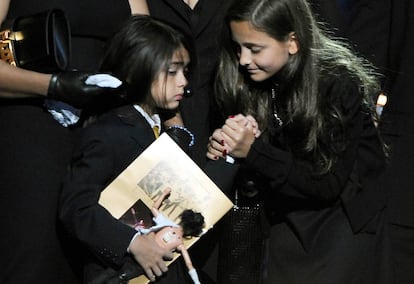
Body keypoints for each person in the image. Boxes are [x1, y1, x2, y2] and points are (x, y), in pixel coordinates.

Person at [207, 0, 389, 283]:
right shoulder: (248, 82)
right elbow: (258, 179)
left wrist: (254, 151)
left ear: (292, 42)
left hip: (342, 225)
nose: (243, 59)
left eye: (255, 49)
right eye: (238, 47)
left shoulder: (336, 85)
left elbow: (327, 183)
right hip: (286, 220)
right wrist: (228, 148)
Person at [0, 0, 148, 283]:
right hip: (32, 127)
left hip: (104, 130)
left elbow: (148, 45)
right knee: (35, 255)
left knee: (100, 263)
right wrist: (53, 85)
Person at [58, 15, 198, 283]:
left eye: (185, 71)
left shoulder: (162, 129)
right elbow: (76, 207)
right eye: (172, 71)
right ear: (137, 71)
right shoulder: (108, 132)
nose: (183, 82)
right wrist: (132, 242)